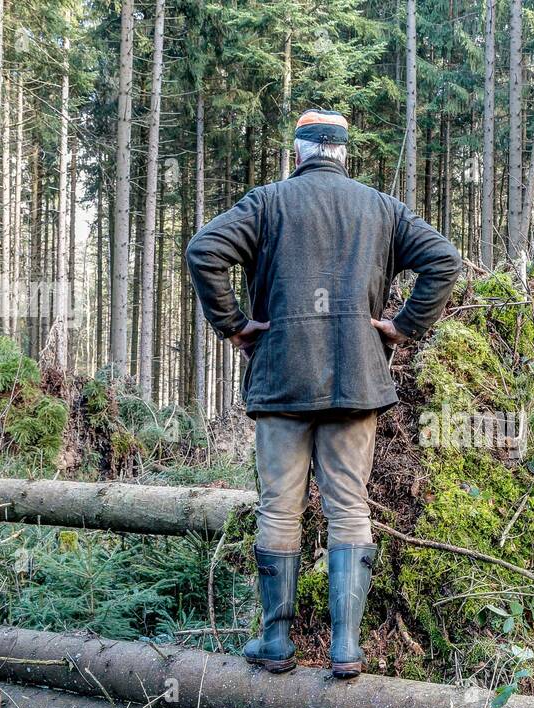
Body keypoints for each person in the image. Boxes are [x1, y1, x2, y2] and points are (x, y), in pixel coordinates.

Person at [186, 108, 462, 678]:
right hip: (356, 380)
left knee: (279, 509)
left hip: (282, 379)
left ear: (298, 155)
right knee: (349, 508)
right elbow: (443, 260)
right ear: (344, 155)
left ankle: (276, 642)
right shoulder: (380, 208)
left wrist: (235, 325)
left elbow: (203, 251)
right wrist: (403, 326)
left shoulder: (266, 203)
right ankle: (345, 648)